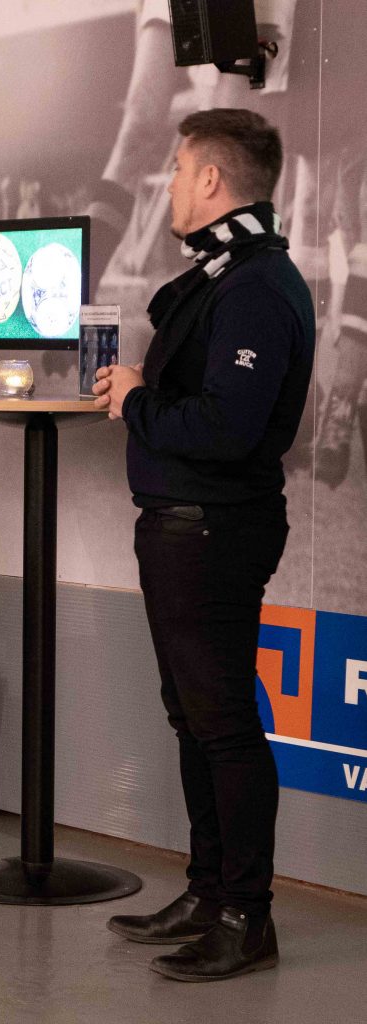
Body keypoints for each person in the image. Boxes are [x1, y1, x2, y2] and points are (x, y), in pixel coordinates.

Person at [93, 109, 314, 981]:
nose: (171, 184)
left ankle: (245, 915)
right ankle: (208, 891)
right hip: (184, 527)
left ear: (213, 180)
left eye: (181, 169)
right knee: (194, 716)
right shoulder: (227, 275)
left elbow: (226, 428)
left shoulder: (255, 286)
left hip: (212, 531)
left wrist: (136, 400)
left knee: (222, 725)